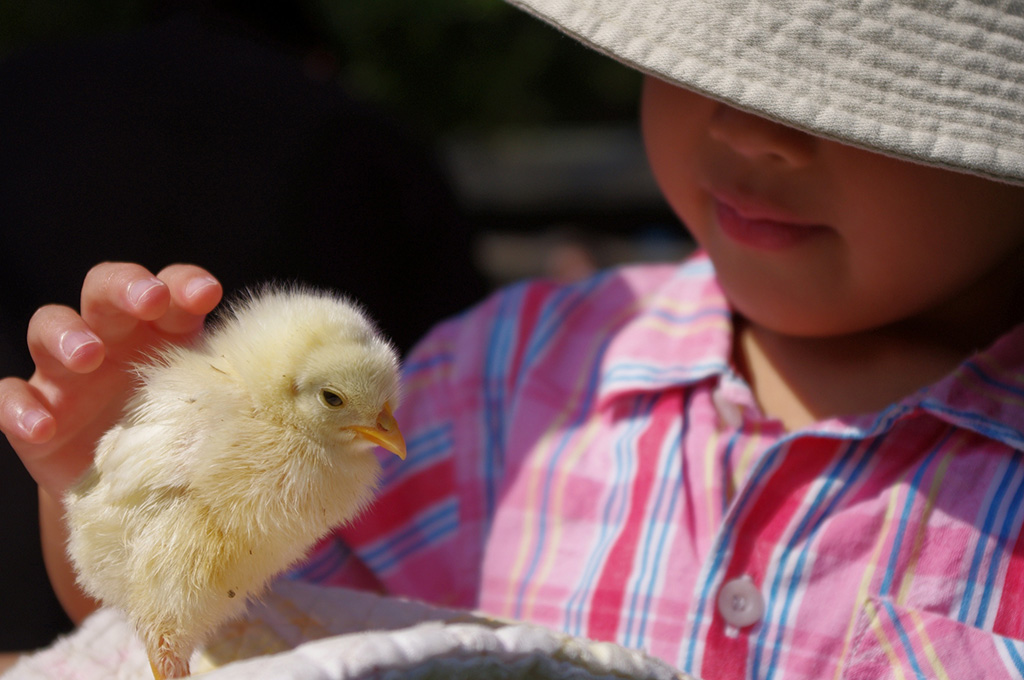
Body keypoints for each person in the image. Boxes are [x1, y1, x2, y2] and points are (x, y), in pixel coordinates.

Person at [4, 1, 1024, 678]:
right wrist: (106, 480)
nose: (751, 130)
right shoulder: (499, 375)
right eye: (712, 62)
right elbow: (228, 623)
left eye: (847, 94)